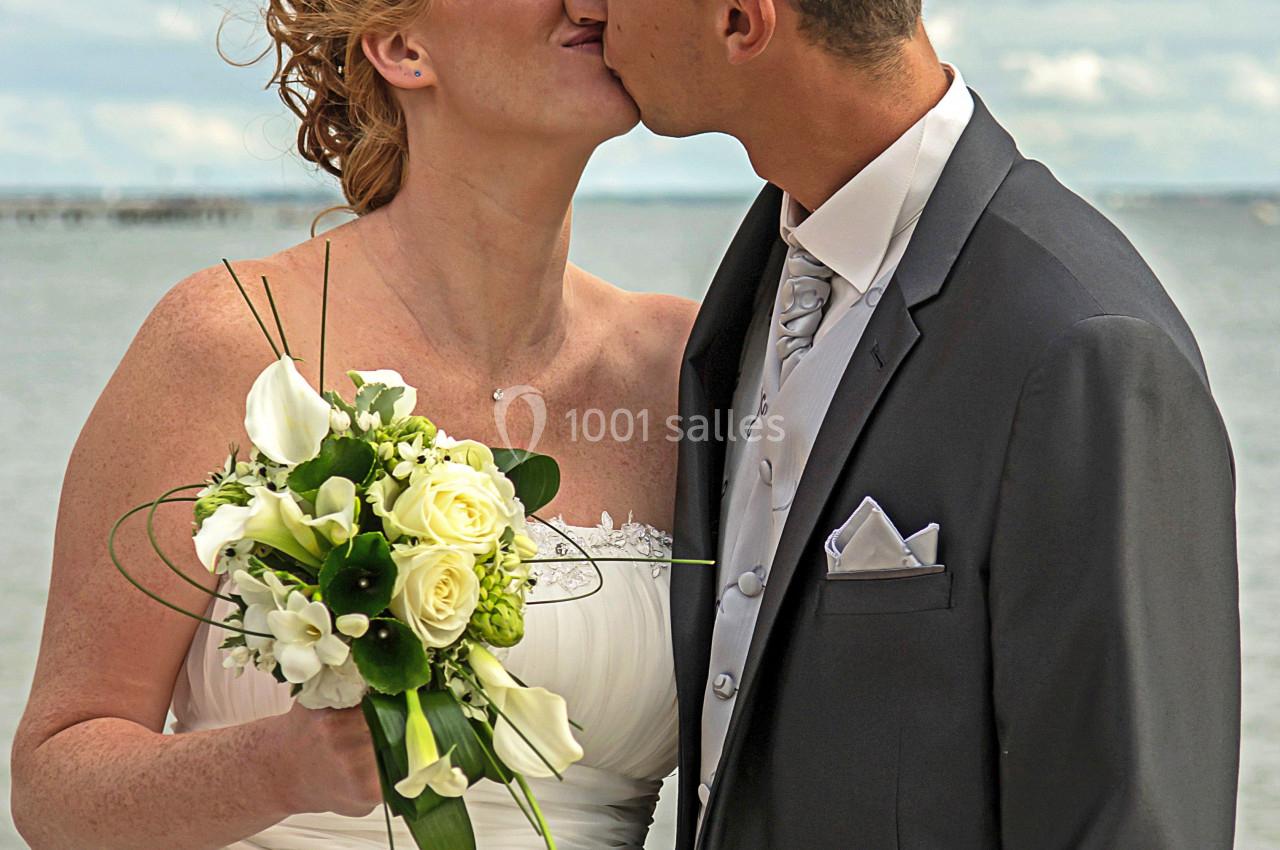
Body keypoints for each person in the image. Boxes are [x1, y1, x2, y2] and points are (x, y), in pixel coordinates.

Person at [9, 1, 696, 847]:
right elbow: (53, 787)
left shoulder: (681, 366)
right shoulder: (233, 336)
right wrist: (280, 767)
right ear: (405, 48)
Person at [596, 0, 1241, 847]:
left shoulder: (1085, 343)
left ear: (739, 21)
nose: (587, 7)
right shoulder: (761, 280)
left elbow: (1132, 824)